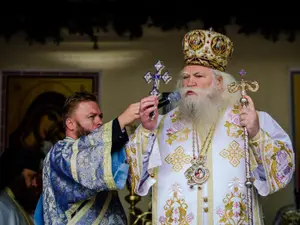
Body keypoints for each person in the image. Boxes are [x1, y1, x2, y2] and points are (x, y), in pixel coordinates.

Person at [125, 29, 295, 225]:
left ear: (219, 82)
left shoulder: (249, 120)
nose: (190, 83)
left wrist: (256, 133)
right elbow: (133, 178)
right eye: (186, 77)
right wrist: (146, 131)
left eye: (198, 76)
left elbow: (281, 174)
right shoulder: (161, 124)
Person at [35, 91, 140, 225]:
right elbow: (85, 163)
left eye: (100, 116)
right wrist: (119, 123)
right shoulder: (60, 153)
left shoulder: (99, 151)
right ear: (70, 124)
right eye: (92, 117)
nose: (99, 122)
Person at [0, 149, 42, 225]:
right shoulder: (2, 206)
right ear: (16, 175)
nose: (35, 184)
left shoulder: (15, 203)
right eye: (31, 177)